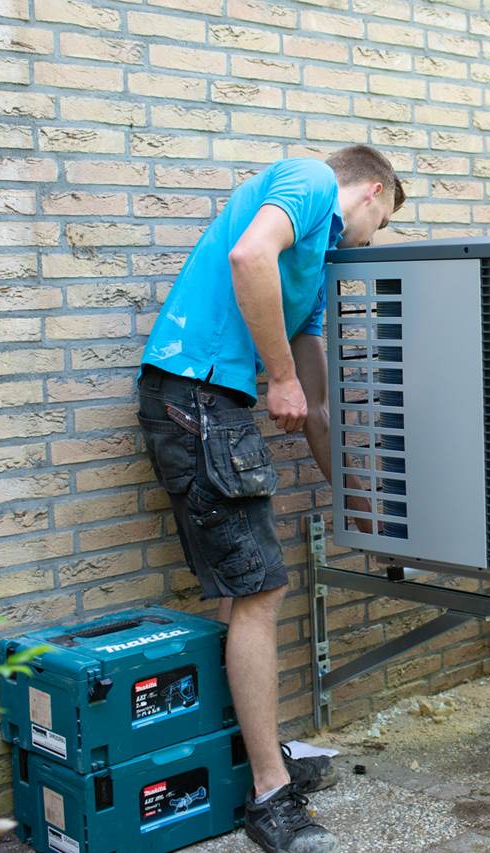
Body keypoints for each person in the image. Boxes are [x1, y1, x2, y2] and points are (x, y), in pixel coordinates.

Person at [137, 145, 404, 853]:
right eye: (382, 221)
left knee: (241, 591)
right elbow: (249, 256)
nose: (373, 240)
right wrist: (277, 377)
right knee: (261, 590)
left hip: (205, 402)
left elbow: (314, 405)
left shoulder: (312, 264)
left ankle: (248, 765)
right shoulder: (312, 180)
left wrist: (357, 501)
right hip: (196, 392)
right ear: (373, 189)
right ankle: (268, 795)